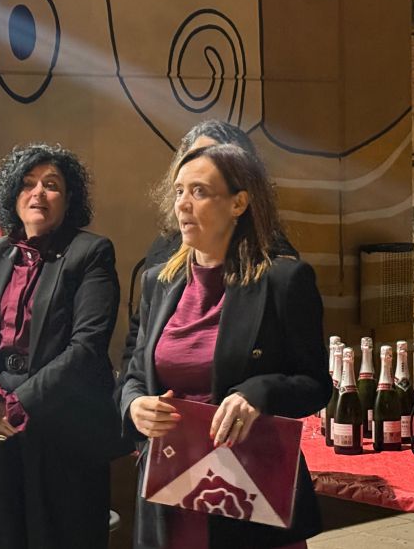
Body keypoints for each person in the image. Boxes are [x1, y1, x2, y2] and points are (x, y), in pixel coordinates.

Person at [120, 144, 329, 548]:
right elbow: (133, 375)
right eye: (179, 191)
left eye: (199, 191)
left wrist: (258, 393)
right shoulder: (158, 282)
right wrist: (134, 406)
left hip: (249, 497)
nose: (183, 204)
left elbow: (316, 385)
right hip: (170, 494)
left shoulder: (283, 281)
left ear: (239, 203)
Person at [0, 143, 122, 549]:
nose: (38, 193)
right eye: (28, 184)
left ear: (69, 198)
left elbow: (86, 348)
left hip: (64, 435)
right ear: (13, 195)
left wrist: (14, 407)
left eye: (52, 185)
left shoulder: (91, 253)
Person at [121, 120, 297, 374]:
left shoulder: (276, 260)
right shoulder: (163, 251)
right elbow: (138, 346)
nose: (199, 166)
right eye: (181, 189)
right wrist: (133, 394)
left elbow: (295, 371)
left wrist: (253, 392)